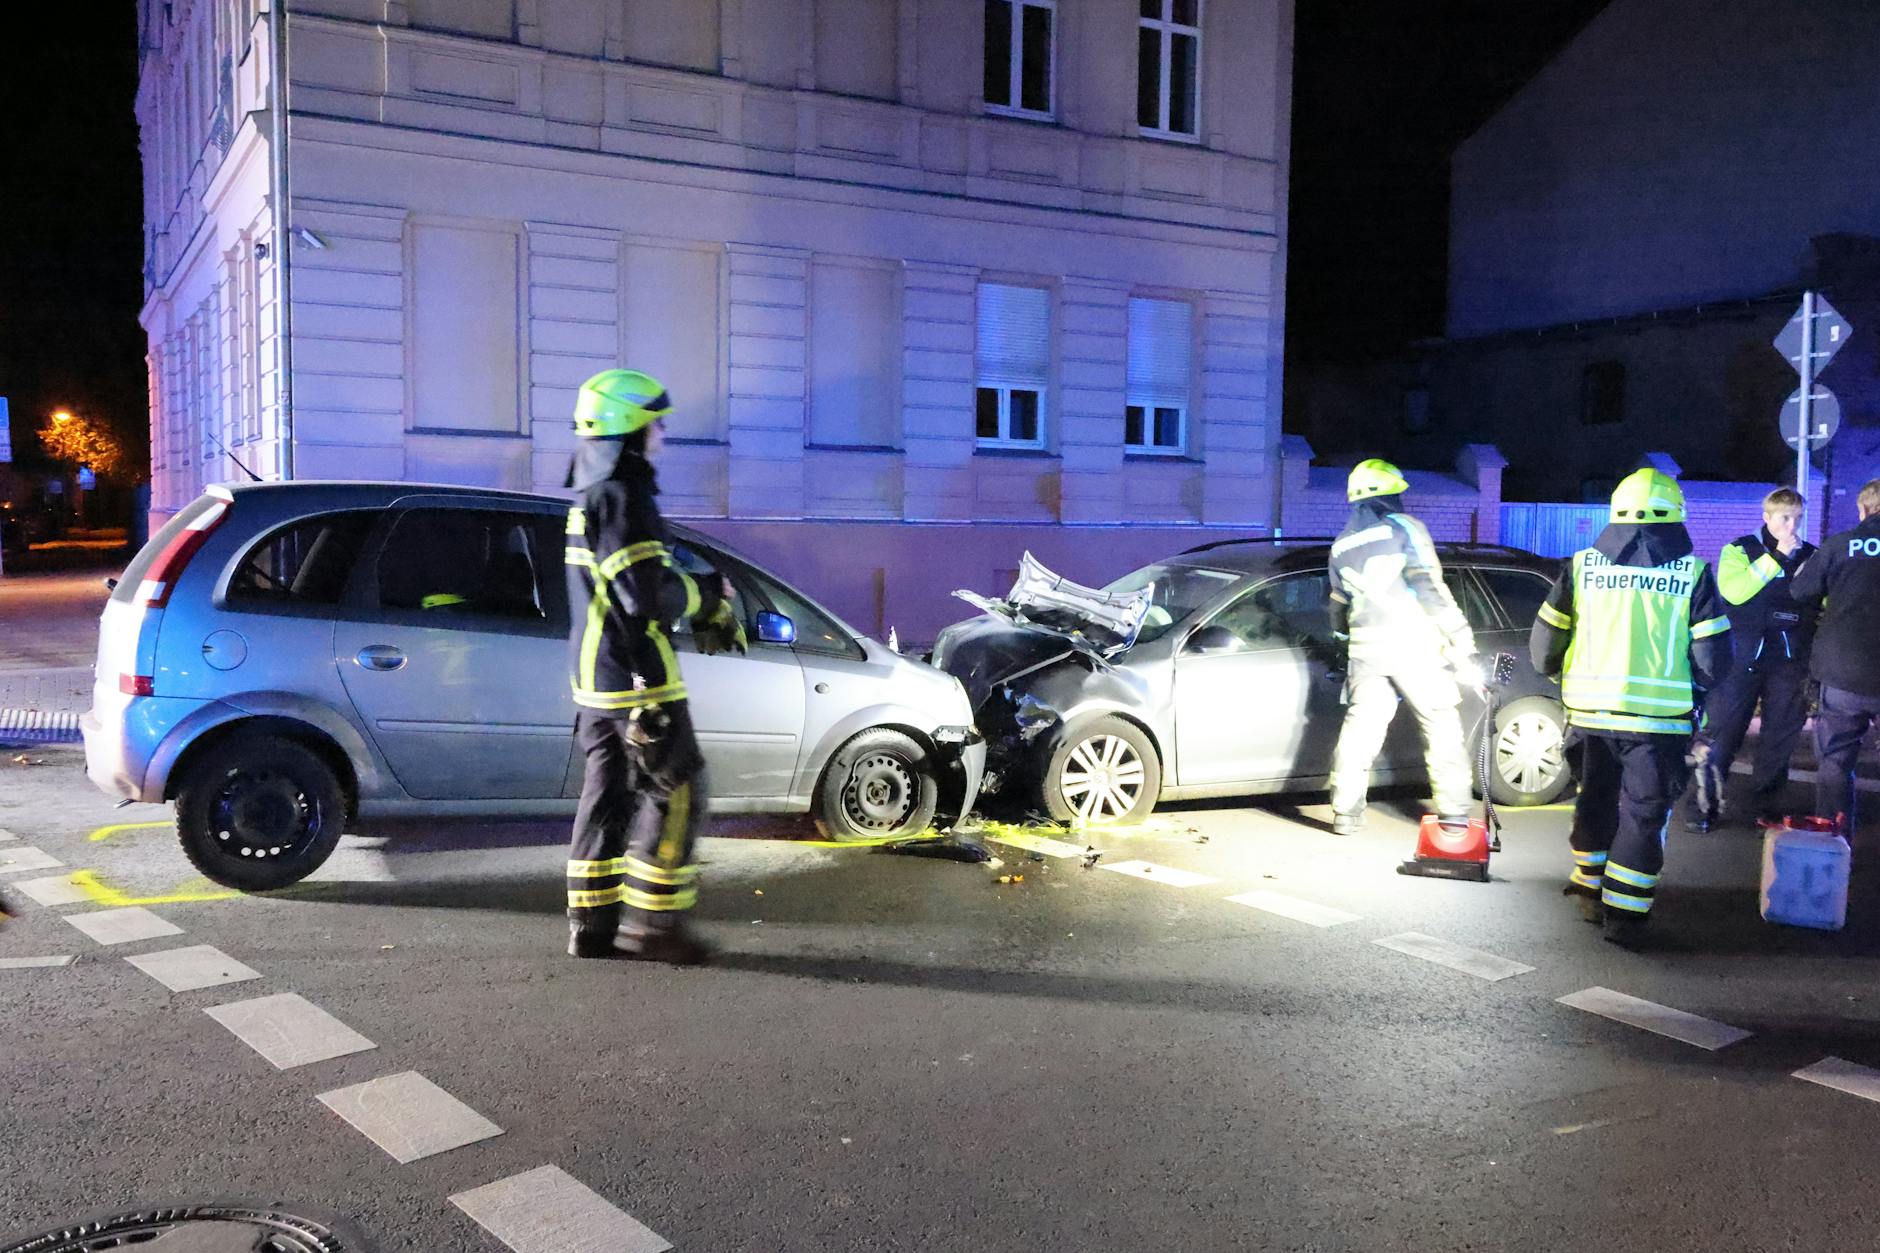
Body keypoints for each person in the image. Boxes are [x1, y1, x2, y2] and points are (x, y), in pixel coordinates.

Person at [562, 369, 747, 963]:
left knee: (607, 797)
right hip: (637, 674)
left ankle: (590, 928)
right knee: (680, 788)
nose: (663, 431)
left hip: (595, 680)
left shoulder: (587, 494)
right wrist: (708, 597)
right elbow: (643, 596)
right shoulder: (624, 496)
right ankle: (655, 926)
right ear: (630, 427)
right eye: (655, 421)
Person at [1532, 468, 1731, 946]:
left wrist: (1567, 676)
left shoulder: (1580, 567)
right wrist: (1692, 692)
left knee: (1594, 798)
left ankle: (1588, 887)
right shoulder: (1694, 574)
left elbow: (1543, 650)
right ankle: (1623, 913)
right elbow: (1714, 660)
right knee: (1643, 813)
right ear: (1678, 517)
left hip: (1589, 718)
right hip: (1657, 723)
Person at [1327, 458, 1477, 836]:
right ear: (1390, 495)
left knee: (1360, 732)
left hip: (1366, 655)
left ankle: (1345, 813)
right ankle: (1455, 817)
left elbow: (1337, 610)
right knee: (1441, 727)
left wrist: (1348, 640)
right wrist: (1461, 635)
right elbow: (1427, 585)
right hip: (1415, 649)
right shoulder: (1406, 528)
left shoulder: (1341, 545)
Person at [1686, 487, 1817, 831]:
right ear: (1767, 517)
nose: (1792, 526)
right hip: (1741, 659)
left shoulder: (1811, 555)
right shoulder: (1739, 550)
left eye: (1797, 518)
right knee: (1722, 734)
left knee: (1779, 740)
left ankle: (1766, 811)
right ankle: (1705, 808)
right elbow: (1734, 590)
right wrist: (1774, 559)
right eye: (1785, 518)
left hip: (1789, 660)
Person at [1788, 477, 1880, 837]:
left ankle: (1834, 839)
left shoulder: (1839, 546)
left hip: (1843, 674)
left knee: (1836, 761)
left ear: (1862, 509)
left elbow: (1800, 591)